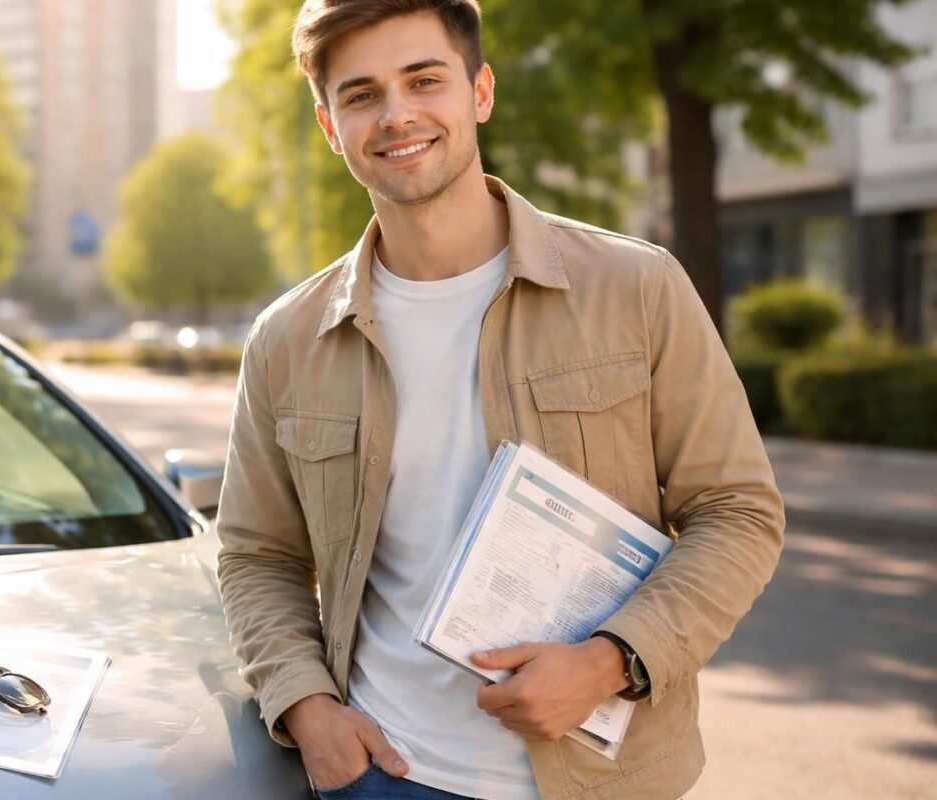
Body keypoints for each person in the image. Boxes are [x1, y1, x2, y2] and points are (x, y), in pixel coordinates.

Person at [212, 2, 785, 799]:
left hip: (604, 779)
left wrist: (609, 661)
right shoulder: (288, 339)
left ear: (480, 91)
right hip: (383, 775)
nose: (398, 114)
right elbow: (257, 556)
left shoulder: (636, 288)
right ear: (329, 125)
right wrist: (306, 707)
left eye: (424, 80)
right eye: (362, 94)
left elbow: (738, 510)